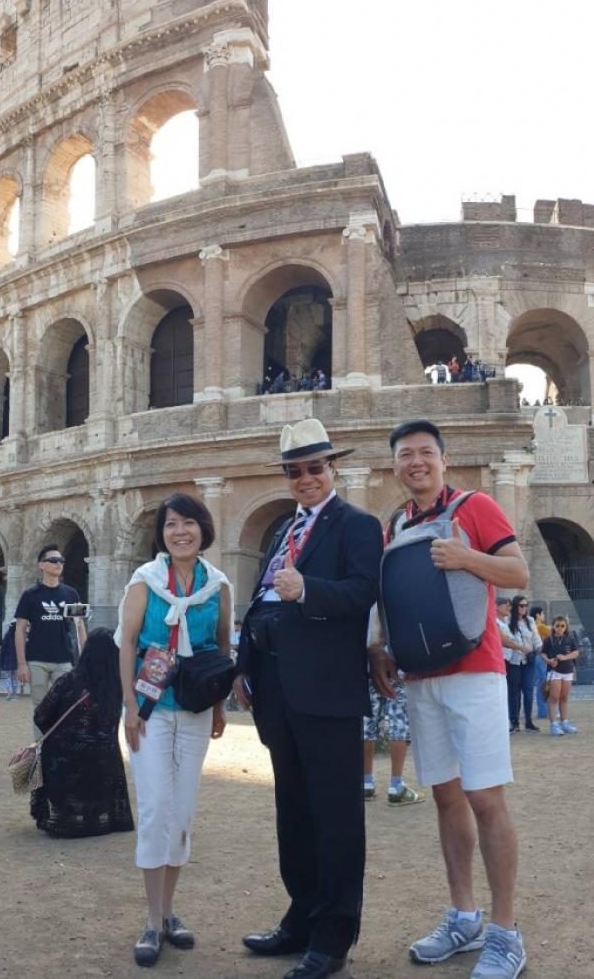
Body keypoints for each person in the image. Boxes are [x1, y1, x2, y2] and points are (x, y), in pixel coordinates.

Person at [368, 419, 530, 979]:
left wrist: (466, 559)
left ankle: (505, 932)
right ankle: (464, 916)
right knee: (445, 797)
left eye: (425, 453)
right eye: (405, 455)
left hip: (474, 670)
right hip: (420, 675)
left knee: (485, 798)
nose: (416, 462)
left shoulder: (475, 506)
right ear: (395, 465)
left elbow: (517, 572)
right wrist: (379, 646)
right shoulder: (395, 524)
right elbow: (389, 598)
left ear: (444, 459)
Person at [235, 419, 382, 979]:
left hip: (326, 690)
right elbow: (260, 600)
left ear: (332, 468)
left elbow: (364, 592)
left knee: (335, 816)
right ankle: (301, 916)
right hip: (277, 687)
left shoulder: (357, 526)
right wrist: (244, 666)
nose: (305, 478)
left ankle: (334, 935)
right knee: (293, 812)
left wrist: (309, 590)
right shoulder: (283, 530)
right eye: (294, 471)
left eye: (315, 467)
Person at [118, 492, 232, 967]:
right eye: (170, 524)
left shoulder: (217, 585)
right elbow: (127, 643)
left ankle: (168, 913)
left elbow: (221, 649)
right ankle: (151, 919)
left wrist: (219, 707)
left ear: (203, 529)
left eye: (188, 523)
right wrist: (130, 706)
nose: (180, 532)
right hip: (151, 707)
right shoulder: (145, 581)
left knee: (182, 812)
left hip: (195, 709)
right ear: (161, 533)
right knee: (155, 808)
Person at [32, 628, 134, 839]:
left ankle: (66, 813)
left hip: (65, 757)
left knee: (60, 754)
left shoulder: (69, 681)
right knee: (102, 757)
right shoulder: (118, 687)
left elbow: (41, 715)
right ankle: (94, 814)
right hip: (104, 757)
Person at [15, 544, 86, 737]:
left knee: (65, 706)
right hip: (36, 659)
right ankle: (40, 748)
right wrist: (21, 664)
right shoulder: (30, 595)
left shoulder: (71, 594)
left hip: (64, 659)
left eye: (61, 560)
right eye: (53, 560)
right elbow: (20, 629)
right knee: (40, 707)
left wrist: (86, 658)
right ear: (41, 565)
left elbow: (79, 626)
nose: (58, 564)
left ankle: (59, 749)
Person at [363, 670, 425, 806]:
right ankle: (396, 787)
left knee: (368, 722)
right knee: (399, 723)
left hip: (370, 667)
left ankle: (366, 783)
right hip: (397, 668)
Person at [503, 595, 541, 733]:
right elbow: (506, 640)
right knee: (514, 692)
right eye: (521, 605)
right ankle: (514, 722)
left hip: (528, 661)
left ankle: (529, 722)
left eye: (526, 605)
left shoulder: (530, 621)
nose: (524, 608)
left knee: (528, 691)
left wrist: (541, 650)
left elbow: (536, 639)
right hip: (513, 661)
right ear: (515, 606)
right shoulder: (507, 621)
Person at [542, 616, 579, 735]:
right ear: (553, 626)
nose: (560, 628)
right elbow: (543, 653)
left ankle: (564, 723)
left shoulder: (570, 638)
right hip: (554, 672)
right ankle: (553, 724)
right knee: (554, 698)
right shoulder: (549, 639)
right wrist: (548, 661)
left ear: (566, 627)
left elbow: (576, 652)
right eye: (557, 625)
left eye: (562, 626)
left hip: (568, 671)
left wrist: (564, 657)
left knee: (564, 698)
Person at [530, 606, 551, 721]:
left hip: (535, 656)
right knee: (543, 683)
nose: (543, 616)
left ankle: (543, 711)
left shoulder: (531, 625)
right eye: (542, 614)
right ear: (538, 615)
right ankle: (544, 711)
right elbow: (554, 631)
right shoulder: (540, 626)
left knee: (541, 683)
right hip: (540, 656)